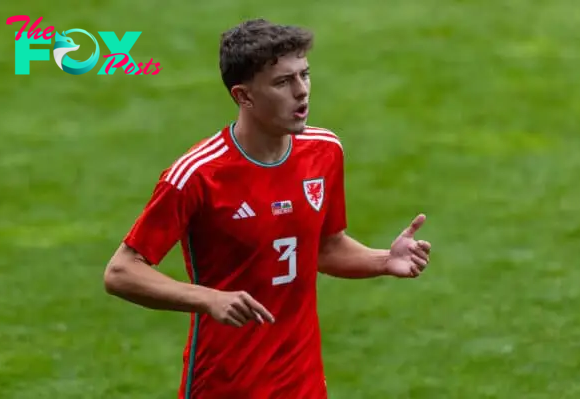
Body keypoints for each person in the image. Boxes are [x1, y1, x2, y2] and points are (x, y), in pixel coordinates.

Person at [103, 18, 432, 399]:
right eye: (283, 82)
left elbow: (324, 247)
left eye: (304, 75)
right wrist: (208, 298)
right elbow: (121, 271)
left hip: (302, 381)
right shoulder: (196, 175)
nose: (302, 91)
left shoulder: (324, 151)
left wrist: (383, 261)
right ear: (243, 96)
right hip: (227, 384)